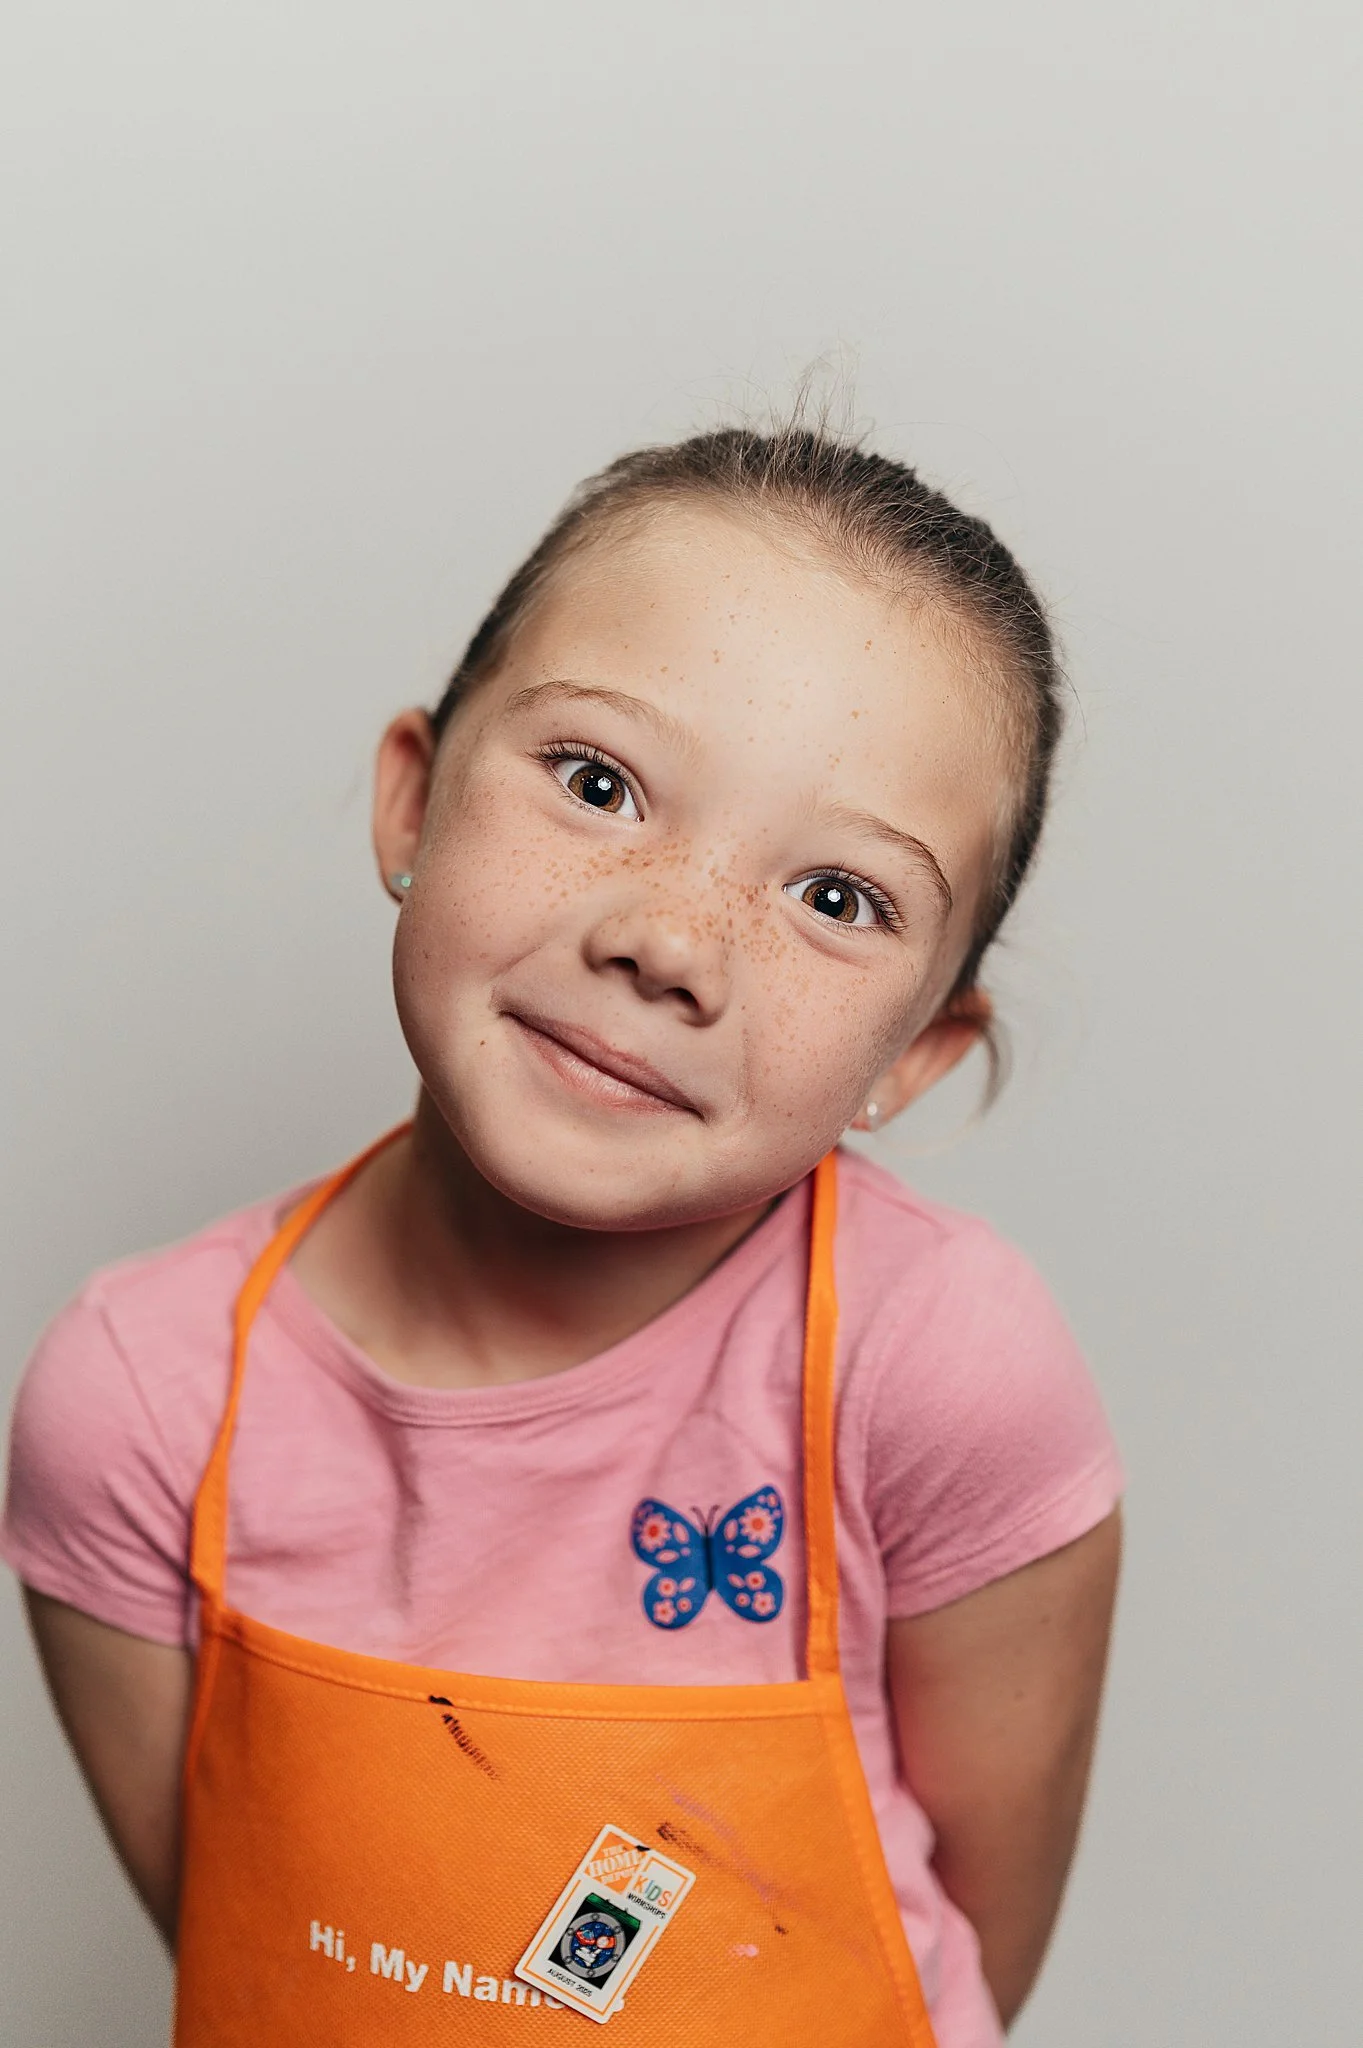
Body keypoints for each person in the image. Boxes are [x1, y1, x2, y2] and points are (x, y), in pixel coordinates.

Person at [2, 424, 1123, 2046]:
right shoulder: (139, 1404)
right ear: (411, 801)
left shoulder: (939, 1363)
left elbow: (962, 1955)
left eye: (834, 896)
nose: (673, 940)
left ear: (912, 1055)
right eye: (597, 783)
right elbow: (249, 1938)